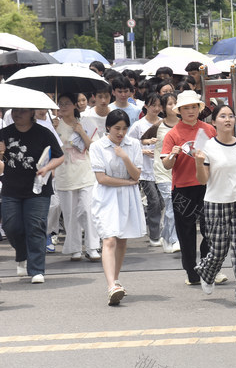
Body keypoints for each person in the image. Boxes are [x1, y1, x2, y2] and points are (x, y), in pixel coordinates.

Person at [193, 104, 236, 306]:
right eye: (222, 116)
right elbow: (203, 180)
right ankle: (207, 271)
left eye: (231, 116)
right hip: (215, 202)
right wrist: (198, 162)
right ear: (214, 122)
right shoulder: (207, 146)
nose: (227, 119)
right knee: (219, 248)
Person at [162, 90, 224, 286]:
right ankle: (191, 271)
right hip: (182, 188)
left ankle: (209, 267)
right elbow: (166, 165)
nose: (190, 111)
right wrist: (172, 155)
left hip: (207, 186)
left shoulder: (209, 130)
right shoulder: (172, 134)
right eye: (186, 108)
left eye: (193, 107)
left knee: (211, 229)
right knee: (186, 233)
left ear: (199, 109)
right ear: (179, 111)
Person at [0, 107, 65, 283]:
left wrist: (47, 168)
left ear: (31, 113)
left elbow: (60, 156)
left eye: (22, 111)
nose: (17, 114)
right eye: (15, 110)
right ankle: (22, 254)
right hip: (11, 189)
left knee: (36, 227)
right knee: (11, 226)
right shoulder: (4, 133)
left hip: (38, 189)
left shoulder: (44, 133)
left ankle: (36, 269)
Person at [89, 109, 142, 305]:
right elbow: (102, 178)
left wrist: (125, 157)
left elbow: (136, 175)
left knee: (121, 240)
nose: (121, 133)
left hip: (127, 197)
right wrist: (127, 182)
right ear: (108, 127)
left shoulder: (133, 144)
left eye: (124, 129)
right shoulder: (97, 146)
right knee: (109, 238)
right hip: (106, 197)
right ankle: (111, 285)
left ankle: (116, 280)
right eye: (117, 128)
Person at [52, 93, 99, 262]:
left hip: (85, 173)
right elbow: (51, 149)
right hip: (64, 174)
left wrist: (81, 132)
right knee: (70, 213)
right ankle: (75, 248)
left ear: (74, 105)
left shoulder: (86, 123)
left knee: (87, 209)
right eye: (60, 104)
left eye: (67, 103)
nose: (63, 107)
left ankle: (92, 247)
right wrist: (53, 130)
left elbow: (94, 147)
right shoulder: (55, 125)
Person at [141, 92, 180, 253]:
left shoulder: (183, 124)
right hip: (162, 170)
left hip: (179, 171)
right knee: (171, 203)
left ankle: (166, 235)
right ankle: (175, 239)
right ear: (163, 108)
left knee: (176, 205)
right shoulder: (159, 125)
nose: (173, 106)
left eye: (175, 103)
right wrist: (149, 142)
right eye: (170, 104)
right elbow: (143, 139)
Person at [128, 94, 164, 247]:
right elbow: (129, 144)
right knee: (154, 200)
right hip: (145, 171)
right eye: (153, 105)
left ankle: (156, 227)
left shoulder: (163, 123)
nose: (156, 108)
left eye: (159, 105)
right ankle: (154, 235)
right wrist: (143, 151)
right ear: (146, 106)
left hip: (161, 168)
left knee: (161, 202)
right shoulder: (138, 125)